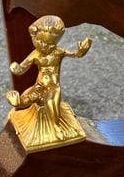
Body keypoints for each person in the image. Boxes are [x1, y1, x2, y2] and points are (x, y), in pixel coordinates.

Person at [6, 15, 92, 150]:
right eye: (40, 41)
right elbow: (22, 68)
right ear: (34, 37)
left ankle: (56, 126)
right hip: (39, 87)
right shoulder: (35, 55)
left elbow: (74, 54)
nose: (45, 46)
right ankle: (16, 101)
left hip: (53, 88)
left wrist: (81, 52)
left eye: (50, 44)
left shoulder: (59, 52)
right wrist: (16, 68)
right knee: (26, 98)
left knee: (52, 103)